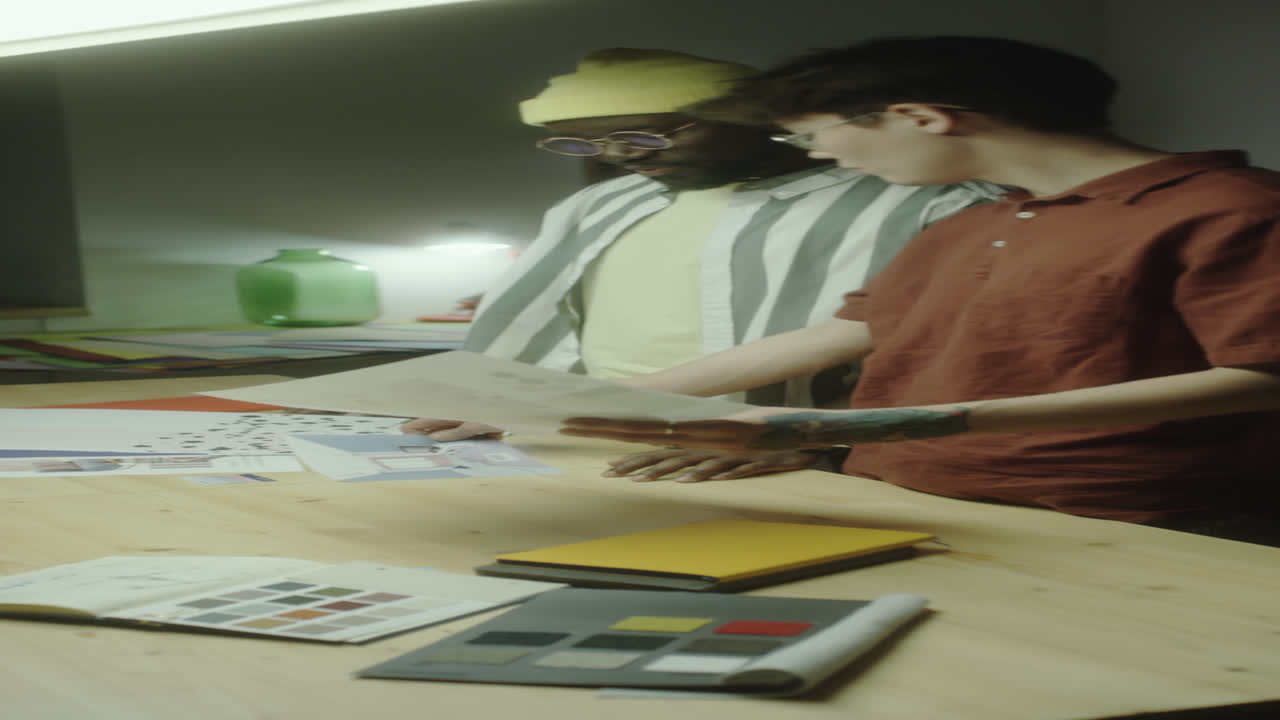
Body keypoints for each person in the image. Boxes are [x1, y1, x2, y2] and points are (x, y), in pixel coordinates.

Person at [560, 36, 1280, 546]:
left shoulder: (1230, 208)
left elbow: (1261, 378)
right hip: (902, 498)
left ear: (920, 116)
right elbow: (847, 333)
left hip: (1128, 518)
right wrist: (575, 407)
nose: (819, 156)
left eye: (813, 133)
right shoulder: (978, 219)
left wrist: (866, 427)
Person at [403, 48, 996, 480]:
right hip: (592, 443)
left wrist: (822, 444)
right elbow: (547, 323)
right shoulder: (602, 201)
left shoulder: (926, 201)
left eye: (651, 136)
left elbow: (946, 355)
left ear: (758, 119)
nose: (621, 157)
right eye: (587, 145)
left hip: (782, 456)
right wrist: (515, 407)